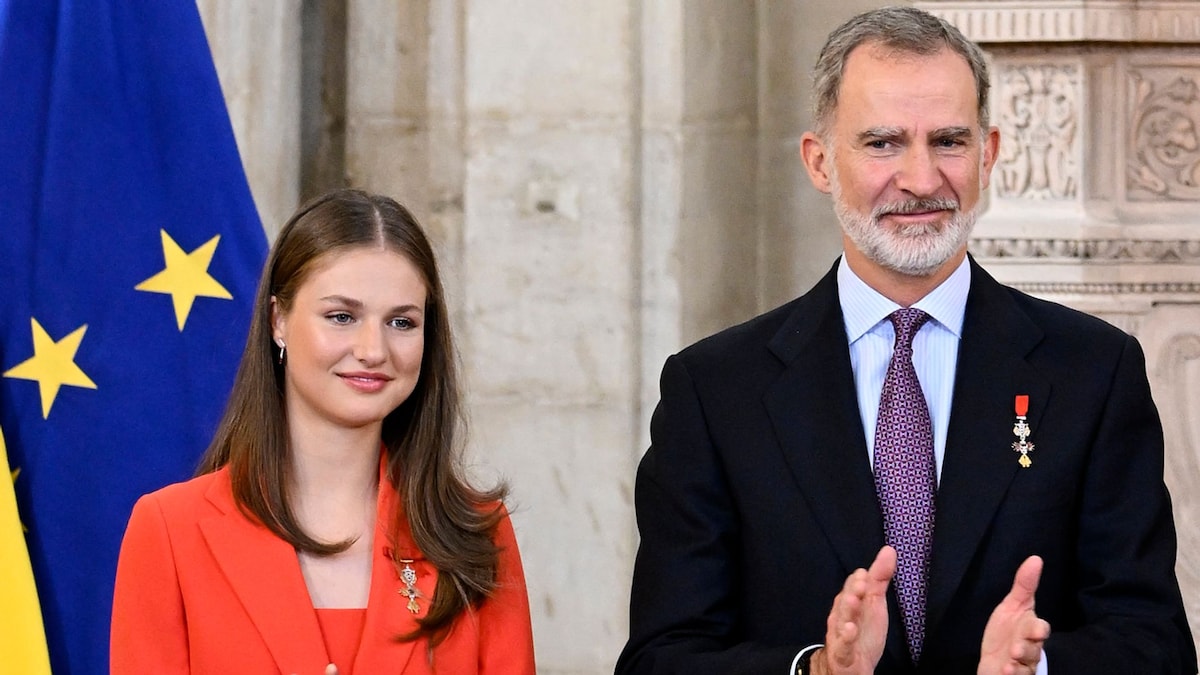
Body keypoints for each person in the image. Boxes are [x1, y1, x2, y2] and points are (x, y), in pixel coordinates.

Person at [616, 6, 1196, 675]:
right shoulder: (715, 391)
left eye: (949, 141)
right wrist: (815, 670)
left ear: (991, 153)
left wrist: (1037, 669)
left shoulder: (1094, 371)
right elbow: (659, 658)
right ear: (820, 161)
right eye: (883, 143)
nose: (921, 180)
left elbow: (1158, 647)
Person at [111, 189, 536, 674]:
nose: (373, 349)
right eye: (342, 316)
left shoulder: (478, 531)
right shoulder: (170, 531)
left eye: (401, 321)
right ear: (279, 321)